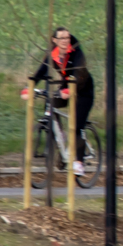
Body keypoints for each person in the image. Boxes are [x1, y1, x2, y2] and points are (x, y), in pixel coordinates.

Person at [24, 26, 97, 174]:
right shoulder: (53, 54)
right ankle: (61, 136)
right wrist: (29, 87)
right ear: (54, 40)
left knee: (77, 126)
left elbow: (79, 72)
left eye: (67, 38)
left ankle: (79, 162)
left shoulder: (76, 52)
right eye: (61, 38)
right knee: (51, 102)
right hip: (67, 85)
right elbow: (42, 71)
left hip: (83, 89)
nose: (65, 41)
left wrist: (70, 89)